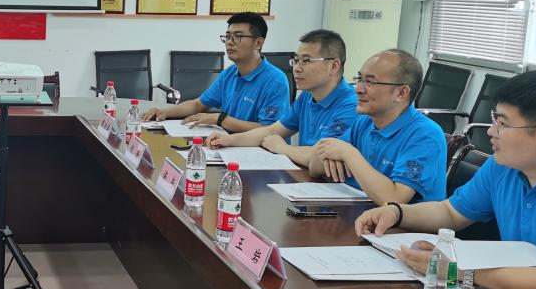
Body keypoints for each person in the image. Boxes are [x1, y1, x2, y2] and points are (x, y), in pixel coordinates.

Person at [356, 70, 536, 289]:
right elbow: (451, 212)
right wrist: (396, 212)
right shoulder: (502, 167)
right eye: (495, 120)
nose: (490, 131)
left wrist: (459, 271)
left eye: (503, 124)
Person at [309, 48, 446, 205]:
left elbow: (394, 200)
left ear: (401, 93)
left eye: (370, 82)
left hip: (398, 221)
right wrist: (333, 154)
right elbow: (314, 167)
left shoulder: (425, 135)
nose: (358, 89)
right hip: (359, 212)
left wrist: (348, 154)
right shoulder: (365, 122)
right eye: (359, 79)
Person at [207, 29, 357, 167]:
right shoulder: (307, 96)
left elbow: (320, 158)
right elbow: (272, 131)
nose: (297, 68)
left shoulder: (351, 106)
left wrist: (282, 147)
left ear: (334, 66)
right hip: (307, 177)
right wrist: (227, 140)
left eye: (306, 61)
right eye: (296, 61)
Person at [142, 12, 290, 133]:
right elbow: (198, 104)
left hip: (260, 153)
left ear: (258, 43)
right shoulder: (230, 73)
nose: (229, 42)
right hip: (228, 143)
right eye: (228, 36)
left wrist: (221, 119)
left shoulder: (275, 81)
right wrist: (165, 112)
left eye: (238, 36)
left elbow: (269, 130)